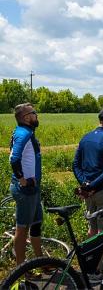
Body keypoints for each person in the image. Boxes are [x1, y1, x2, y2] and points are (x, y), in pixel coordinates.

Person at [73, 107, 103, 235]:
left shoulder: (85, 138)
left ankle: (90, 255)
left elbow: (75, 164)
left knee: (92, 228)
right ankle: (101, 255)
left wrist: (85, 184)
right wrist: (93, 185)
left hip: (88, 190)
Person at [9, 103, 43, 265]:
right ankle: (21, 271)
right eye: (34, 113)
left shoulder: (27, 132)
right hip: (26, 189)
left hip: (33, 188)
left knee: (36, 225)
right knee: (22, 230)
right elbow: (14, 159)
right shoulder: (24, 134)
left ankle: (40, 261)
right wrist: (22, 179)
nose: (37, 116)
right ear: (26, 117)